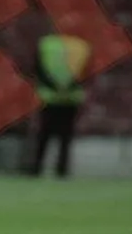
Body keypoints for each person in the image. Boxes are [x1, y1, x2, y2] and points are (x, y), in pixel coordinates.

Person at [29, 33, 90, 178]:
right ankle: (61, 170)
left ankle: (36, 168)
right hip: (71, 97)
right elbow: (87, 71)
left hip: (50, 97)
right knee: (65, 137)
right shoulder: (82, 46)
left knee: (44, 135)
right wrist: (68, 86)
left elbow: (38, 68)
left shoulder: (46, 43)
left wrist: (54, 85)